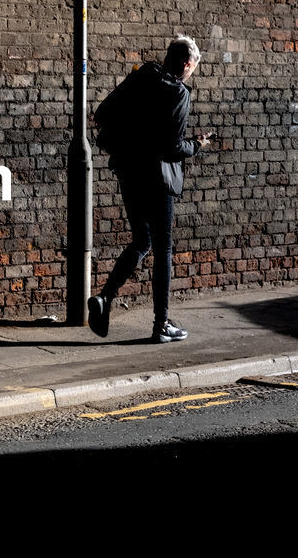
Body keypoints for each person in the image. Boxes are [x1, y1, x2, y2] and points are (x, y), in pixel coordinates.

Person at [88, 34, 214, 342]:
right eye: (194, 66)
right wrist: (196, 144)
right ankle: (161, 325)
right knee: (163, 249)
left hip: (129, 173)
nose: (192, 71)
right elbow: (170, 147)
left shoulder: (141, 76)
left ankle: (105, 297)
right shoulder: (179, 93)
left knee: (141, 241)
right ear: (187, 64)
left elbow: (101, 114)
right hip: (158, 180)